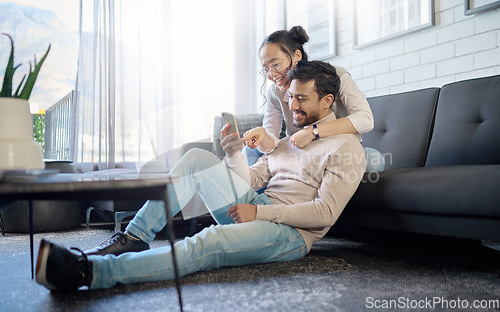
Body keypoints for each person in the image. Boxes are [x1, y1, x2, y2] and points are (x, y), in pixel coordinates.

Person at [35, 60, 366, 291]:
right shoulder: (291, 140)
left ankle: (88, 272)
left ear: (328, 100)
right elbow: (250, 181)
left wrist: (260, 212)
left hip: (290, 233)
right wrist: (234, 152)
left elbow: (324, 214)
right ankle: (134, 237)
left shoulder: (347, 148)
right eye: (290, 96)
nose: (292, 105)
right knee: (196, 158)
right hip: (256, 204)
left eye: (301, 98)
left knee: (209, 242)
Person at [242, 26, 384, 171]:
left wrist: (313, 132)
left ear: (297, 55)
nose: (272, 74)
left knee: (374, 160)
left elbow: (365, 119)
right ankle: (261, 194)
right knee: (249, 151)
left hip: (338, 150)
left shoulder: (335, 76)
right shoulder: (274, 94)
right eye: (266, 69)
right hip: (300, 154)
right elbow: (270, 138)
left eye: (275, 64)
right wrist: (262, 136)